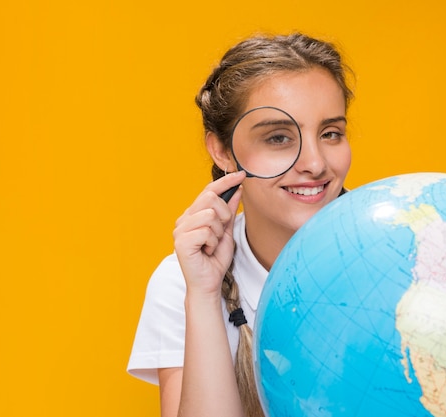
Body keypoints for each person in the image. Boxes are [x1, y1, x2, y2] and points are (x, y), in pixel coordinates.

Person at [128, 32, 354, 417]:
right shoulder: (182, 282)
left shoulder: (406, 255)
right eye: (279, 137)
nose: (315, 163)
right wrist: (203, 295)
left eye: (330, 133)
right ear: (222, 150)